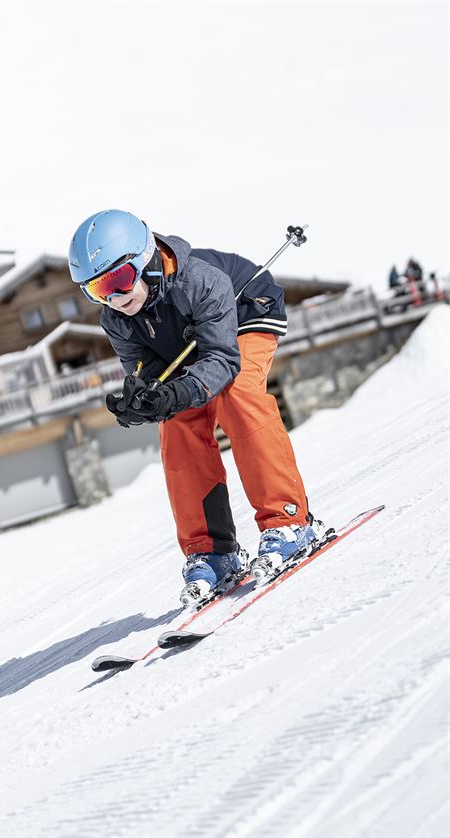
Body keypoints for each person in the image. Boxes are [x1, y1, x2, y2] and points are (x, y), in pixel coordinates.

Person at [68, 210, 326, 605]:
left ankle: (289, 520)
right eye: (98, 290)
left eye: (119, 281)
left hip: (245, 314)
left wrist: (178, 391)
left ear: (145, 259)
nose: (114, 298)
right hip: (188, 344)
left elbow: (221, 359)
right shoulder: (117, 318)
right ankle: (213, 551)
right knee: (176, 423)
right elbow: (147, 369)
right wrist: (145, 400)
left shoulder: (201, 280)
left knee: (236, 395)